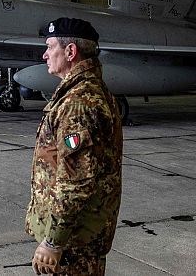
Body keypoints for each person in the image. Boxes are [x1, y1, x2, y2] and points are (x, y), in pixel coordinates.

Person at [26, 17, 123, 275]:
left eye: (50, 46)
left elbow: (76, 181)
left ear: (70, 51)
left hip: (73, 241)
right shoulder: (89, 92)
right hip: (81, 234)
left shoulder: (78, 104)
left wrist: (53, 241)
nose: (45, 54)